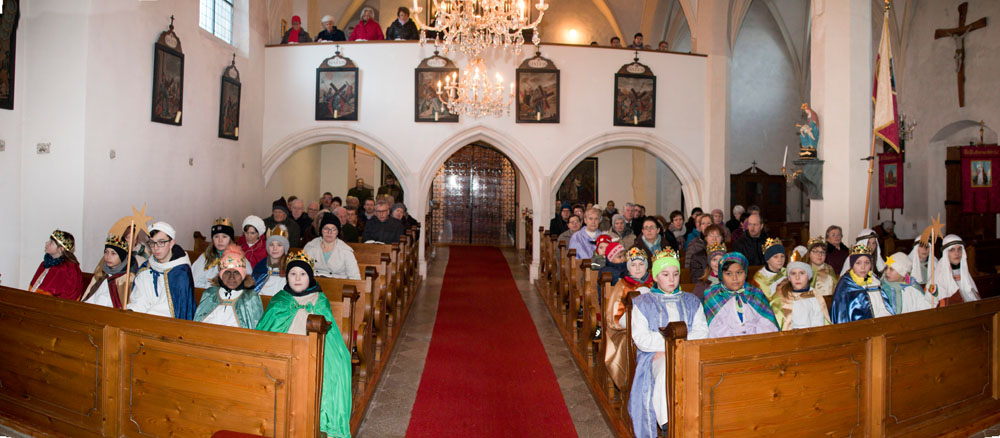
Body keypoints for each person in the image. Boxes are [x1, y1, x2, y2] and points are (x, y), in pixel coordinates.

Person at [255, 252, 352, 437]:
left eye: (303, 274)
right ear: (287, 276)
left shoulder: (320, 300)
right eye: (293, 274)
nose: (297, 278)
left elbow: (331, 336)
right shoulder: (279, 300)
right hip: (284, 355)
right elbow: (265, 332)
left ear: (310, 277)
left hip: (313, 352)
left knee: (334, 371)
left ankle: (319, 421)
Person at [628, 248, 708, 437]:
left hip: (688, 352)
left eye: (675, 274)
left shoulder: (692, 301)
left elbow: (702, 331)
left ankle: (701, 421)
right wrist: (668, 347)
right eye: (665, 274)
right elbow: (641, 337)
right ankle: (668, 424)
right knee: (667, 370)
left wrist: (677, 346)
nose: (671, 279)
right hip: (654, 355)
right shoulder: (643, 303)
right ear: (656, 276)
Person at [604, 247, 653, 394]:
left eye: (641, 264)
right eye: (633, 265)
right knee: (629, 345)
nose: (637, 268)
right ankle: (630, 383)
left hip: (652, 329)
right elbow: (614, 316)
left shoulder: (654, 283)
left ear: (647, 266)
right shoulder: (622, 285)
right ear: (628, 267)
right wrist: (635, 325)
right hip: (626, 330)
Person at [128, 222, 196, 319]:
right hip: (144, 319)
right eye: (152, 243)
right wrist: (133, 310)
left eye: (161, 242)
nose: (156, 248)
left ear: (171, 243)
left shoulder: (180, 272)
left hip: (167, 323)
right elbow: (139, 299)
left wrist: (146, 318)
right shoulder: (146, 268)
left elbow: (170, 309)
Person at [702, 252, 779, 337]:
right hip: (726, 342)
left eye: (739, 272)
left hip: (757, 340)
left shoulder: (754, 293)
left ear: (745, 273)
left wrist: (754, 339)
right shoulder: (713, 295)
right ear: (721, 275)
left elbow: (767, 323)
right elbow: (714, 329)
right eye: (728, 274)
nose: (734, 278)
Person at [194, 245, 264, 329]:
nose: (231, 277)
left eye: (236, 272)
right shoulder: (210, 294)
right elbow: (197, 324)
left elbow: (255, 328)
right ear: (221, 275)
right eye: (227, 272)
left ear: (243, 275)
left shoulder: (251, 297)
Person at [831, 244, 895, 324]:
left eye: (867, 263)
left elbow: (884, 306)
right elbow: (841, 312)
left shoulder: (875, 281)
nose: (863, 267)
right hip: (857, 326)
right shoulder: (846, 283)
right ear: (852, 265)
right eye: (858, 263)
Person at [769, 261, 831, 330]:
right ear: (789, 277)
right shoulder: (781, 296)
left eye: (802, 273)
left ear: (809, 276)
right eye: (793, 273)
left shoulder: (815, 295)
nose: (797, 278)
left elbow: (819, 323)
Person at [81, 234, 137, 308]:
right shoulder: (101, 274)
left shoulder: (127, 279)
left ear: (122, 256)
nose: (108, 256)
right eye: (106, 252)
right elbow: (88, 299)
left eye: (113, 253)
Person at [28, 230, 83, 300]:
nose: (47, 243)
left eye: (51, 242)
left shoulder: (68, 269)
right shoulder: (45, 263)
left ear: (61, 249)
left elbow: (66, 296)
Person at [305, 213, 361, 279]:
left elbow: (355, 277)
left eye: (333, 229)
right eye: (326, 229)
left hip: (338, 284)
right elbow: (301, 269)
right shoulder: (310, 246)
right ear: (321, 230)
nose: (329, 232)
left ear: (337, 232)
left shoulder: (345, 250)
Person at [932, 235, 981, 304]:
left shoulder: (964, 272)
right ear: (946, 253)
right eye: (952, 250)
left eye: (959, 249)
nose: (957, 253)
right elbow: (933, 300)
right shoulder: (939, 275)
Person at [192, 218, 240, 288]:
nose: (220, 240)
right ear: (213, 239)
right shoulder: (204, 257)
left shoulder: (238, 259)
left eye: (224, 237)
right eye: (216, 237)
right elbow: (194, 281)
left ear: (230, 240)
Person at [253, 225, 290, 296]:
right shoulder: (260, 267)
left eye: (279, 245)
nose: (275, 248)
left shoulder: (290, 267)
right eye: (271, 245)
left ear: (285, 248)